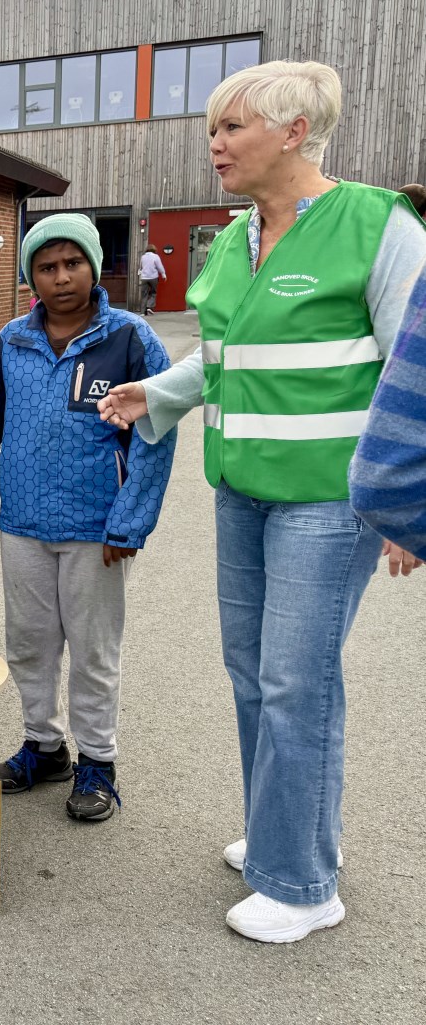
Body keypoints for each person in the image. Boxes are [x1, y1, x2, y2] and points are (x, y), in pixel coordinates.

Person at [97, 61, 426, 941]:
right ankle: (290, 829)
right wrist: (156, 394)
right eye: (213, 128)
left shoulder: (378, 224)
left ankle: (303, 884)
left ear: (294, 132)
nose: (215, 143)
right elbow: (223, 355)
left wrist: (412, 501)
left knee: (294, 680)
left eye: (232, 126)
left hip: (330, 499)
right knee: (254, 673)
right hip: (241, 491)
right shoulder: (234, 239)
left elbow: (418, 366)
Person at [0, 212, 175, 823]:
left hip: (96, 530)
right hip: (23, 525)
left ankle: (98, 762)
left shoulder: (130, 339)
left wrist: (129, 522)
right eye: (47, 267)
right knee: (30, 644)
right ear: (31, 276)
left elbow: (156, 436)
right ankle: (44, 746)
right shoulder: (11, 343)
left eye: (73, 263)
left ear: (94, 266)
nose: (61, 277)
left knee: (93, 650)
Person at [350, 264, 426, 560]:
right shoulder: (233, 245)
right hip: (239, 481)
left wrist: (407, 519)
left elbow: (382, 486)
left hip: (328, 494)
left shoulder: (383, 238)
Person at [137, 246, 166, 315]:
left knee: (144, 295)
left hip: (144, 278)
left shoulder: (143, 257)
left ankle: (142, 312)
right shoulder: (155, 256)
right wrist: (163, 274)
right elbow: (160, 266)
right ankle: (149, 306)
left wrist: (140, 274)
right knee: (153, 293)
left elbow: (141, 267)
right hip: (153, 277)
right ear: (154, 249)